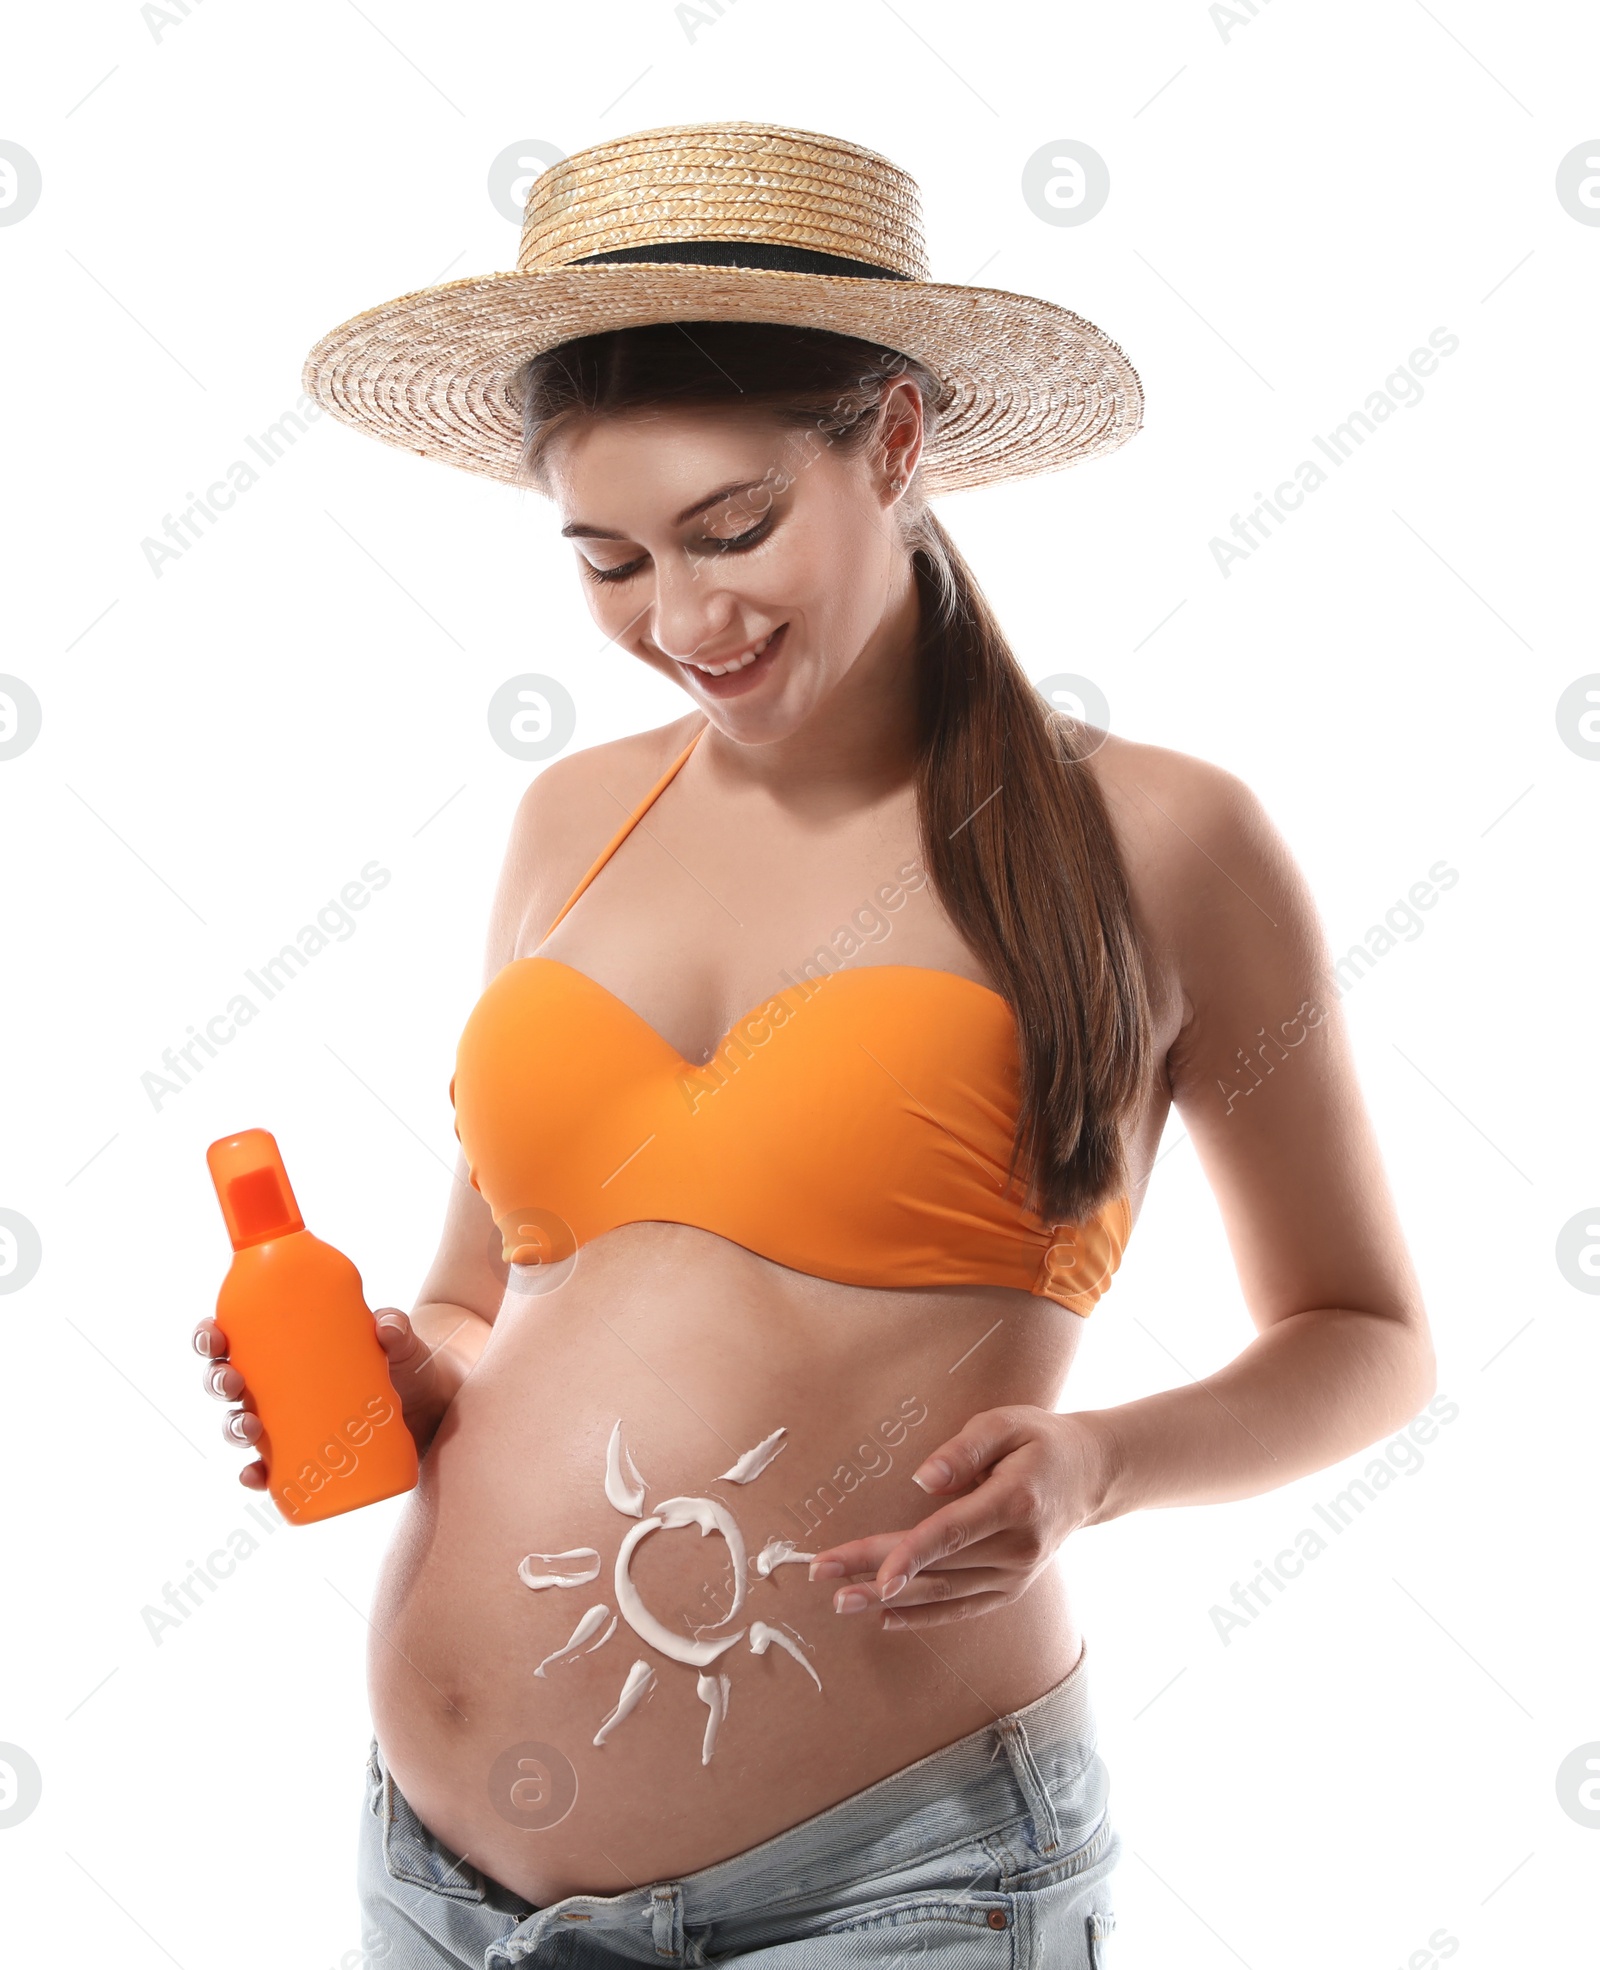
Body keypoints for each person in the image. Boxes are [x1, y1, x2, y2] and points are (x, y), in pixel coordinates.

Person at [193, 122, 1435, 1965]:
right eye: (607, 559)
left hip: (887, 1889)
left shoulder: (1160, 841)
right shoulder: (568, 822)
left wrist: (1101, 1464)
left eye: (734, 529)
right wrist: (406, 1361)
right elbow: (485, 1291)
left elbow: (1369, 1341)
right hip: (437, 1883)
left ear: (899, 444)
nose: (682, 621)